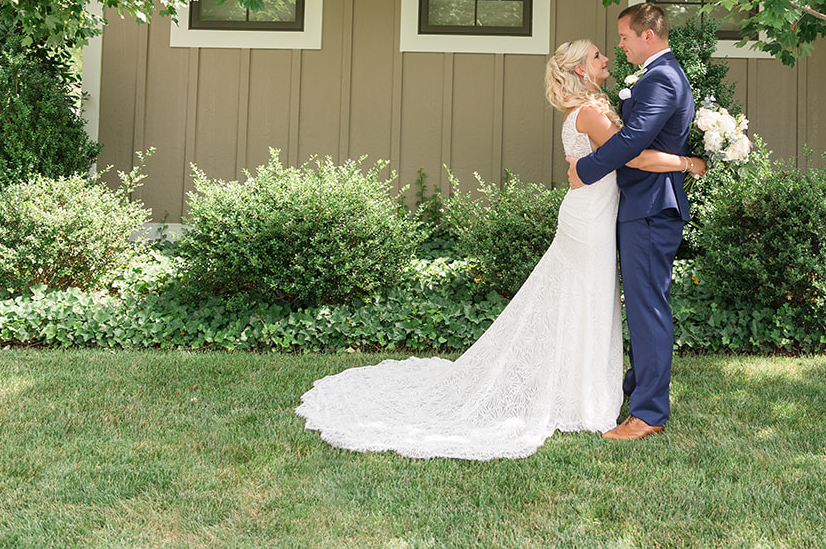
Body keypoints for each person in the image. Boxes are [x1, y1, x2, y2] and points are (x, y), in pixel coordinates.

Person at [294, 38, 703, 460]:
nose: (606, 59)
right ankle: (581, 394)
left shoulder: (589, 109)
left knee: (585, 301)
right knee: (588, 300)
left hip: (593, 213)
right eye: (598, 56)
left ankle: (583, 385)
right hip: (590, 220)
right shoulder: (591, 113)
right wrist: (690, 163)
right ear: (581, 70)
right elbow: (632, 157)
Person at [568, 2, 695, 443]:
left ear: (647, 35)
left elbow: (633, 141)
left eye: (623, 37)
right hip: (644, 205)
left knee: (648, 311)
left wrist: (585, 170)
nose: (619, 45)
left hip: (649, 206)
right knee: (643, 309)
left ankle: (648, 414)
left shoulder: (661, 77)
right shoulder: (661, 74)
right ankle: (636, 392)